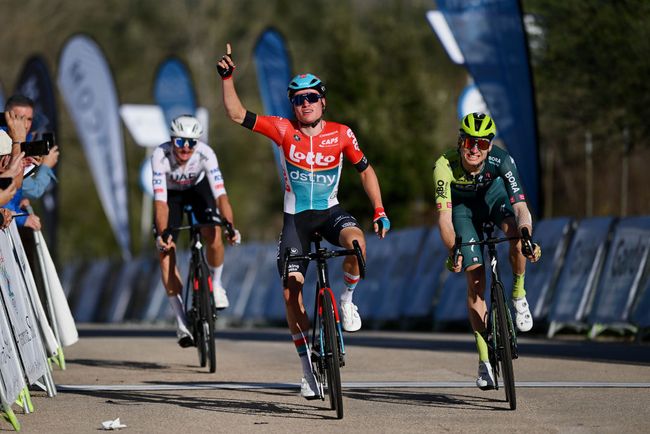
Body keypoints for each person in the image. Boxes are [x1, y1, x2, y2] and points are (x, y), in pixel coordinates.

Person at [217, 43, 391, 400]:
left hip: (330, 212)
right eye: (298, 99)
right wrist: (227, 78)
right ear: (292, 105)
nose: (305, 104)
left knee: (356, 244)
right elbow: (237, 115)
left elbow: (366, 170)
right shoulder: (282, 129)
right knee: (291, 290)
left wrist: (379, 210)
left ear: (322, 101)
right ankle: (306, 370)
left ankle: (346, 298)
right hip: (296, 220)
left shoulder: (341, 134)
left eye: (311, 97)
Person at [433, 112, 541, 390]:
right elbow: (445, 219)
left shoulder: (502, 160)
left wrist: (527, 234)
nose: (474, 148)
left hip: (494, 201)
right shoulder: (444, 165)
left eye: (481, 143)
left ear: (489, 146)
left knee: (515, 234)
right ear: (460, 141)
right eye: (469, 141)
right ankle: (484, 361)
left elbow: (520, 207)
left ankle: (518, 294)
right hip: (462, 212)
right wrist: (453, 250)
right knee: (476, 280)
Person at [152, 114, 239, 348]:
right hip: (172, 196)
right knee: (165, 250)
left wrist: (230, 224)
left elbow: (221, 194)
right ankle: (181, 322)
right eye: (180, 142)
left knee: (214, 232)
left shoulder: (206, 154)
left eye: (191, 142)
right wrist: (164, 232)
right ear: (172, 140)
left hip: (199, 190)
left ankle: (217, 284)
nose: (186, 148)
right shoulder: (160, 156)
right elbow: (160, 202)